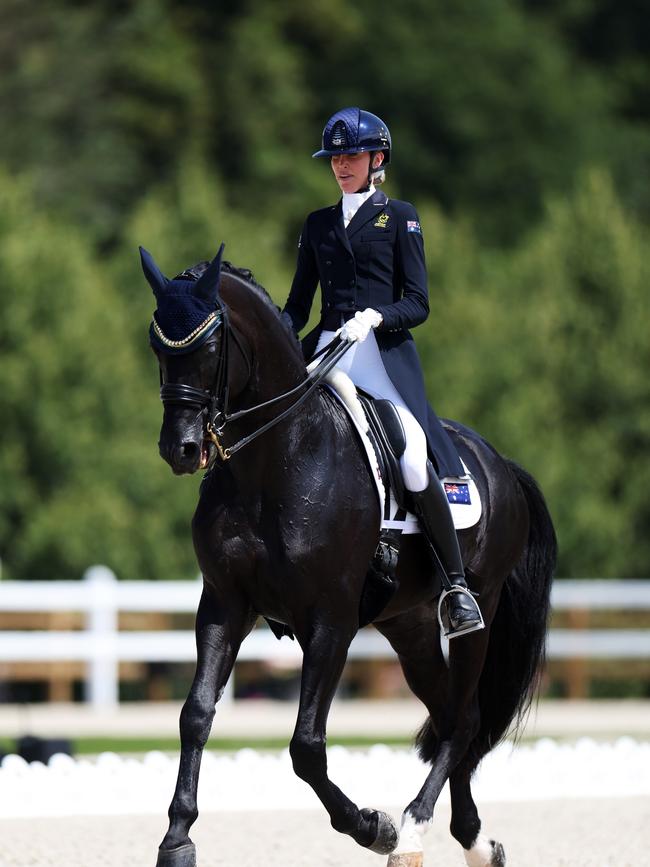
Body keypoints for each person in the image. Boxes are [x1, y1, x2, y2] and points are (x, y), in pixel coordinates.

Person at [282, 107, 482, 639]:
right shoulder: (318, 224)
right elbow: (297, 306)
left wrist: (376, 315)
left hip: (376, 356)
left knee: (413, 457)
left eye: (351, 156)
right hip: (325, 351)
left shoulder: (401, 218)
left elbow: (417, 302)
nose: (341, 166)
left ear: (377, 159)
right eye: (335, 158)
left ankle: (456, 586)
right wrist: (271, 340)